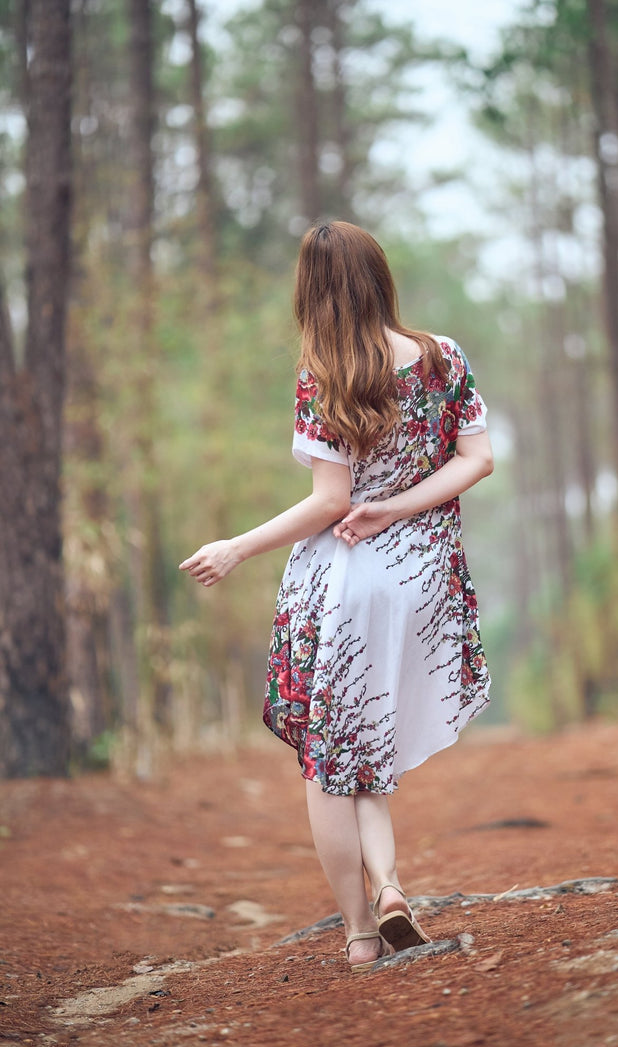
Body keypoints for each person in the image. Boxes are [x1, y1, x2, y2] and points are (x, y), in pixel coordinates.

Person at [180, 221, 493, 973]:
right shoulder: (444, 355)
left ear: (311, 292)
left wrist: (236, 547)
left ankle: (357, 934)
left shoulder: (323, 372)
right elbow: (478, 460)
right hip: (421, 584)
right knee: (363, 756)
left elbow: (329, 503)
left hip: (345, 587)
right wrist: (404, 506)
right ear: (380, 276)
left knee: (327, 765)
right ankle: (388, 886)